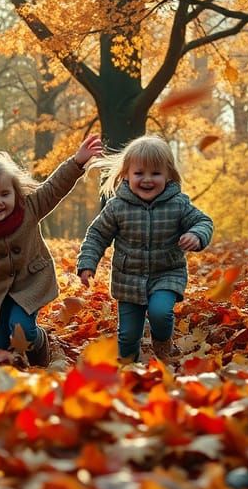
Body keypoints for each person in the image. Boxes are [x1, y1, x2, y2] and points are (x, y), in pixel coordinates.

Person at [0, 136, 103, 367]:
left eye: (5, 194)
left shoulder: (29, 207)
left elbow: (54, 187)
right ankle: (13, 375)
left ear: (16, 192)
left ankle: (40, 350)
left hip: (29, 283)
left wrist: (77, 162)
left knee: (23, 330)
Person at [76, 135, 213, 363]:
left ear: (168, 175)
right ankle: (129, 365)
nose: (147, 180)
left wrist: (196, 235)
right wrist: (87, 263)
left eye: (155, 173)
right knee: (128, 335)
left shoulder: (178, 204)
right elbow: (97, 235)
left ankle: (162, 343)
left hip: (167, 273)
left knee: (161, 312)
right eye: (139, 173)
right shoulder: (117, 207)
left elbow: (203, 222)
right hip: (128, 279)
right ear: (126, 174)